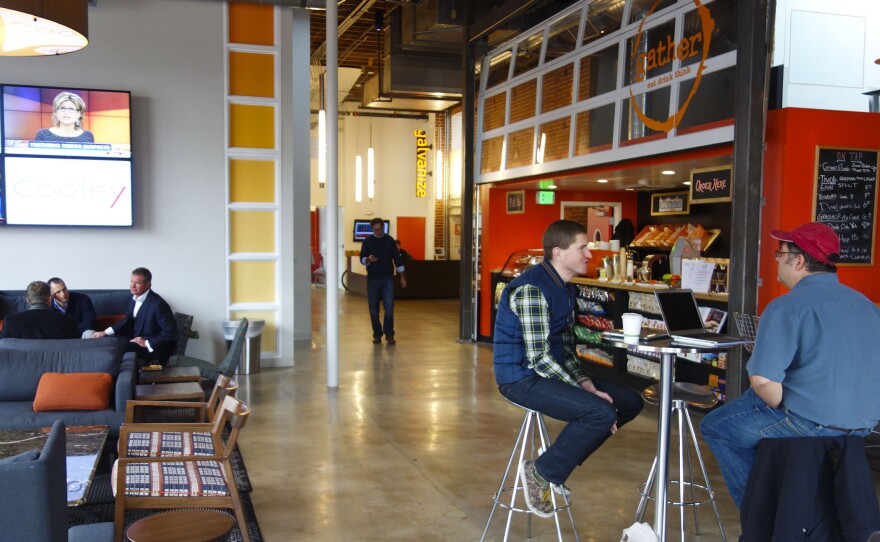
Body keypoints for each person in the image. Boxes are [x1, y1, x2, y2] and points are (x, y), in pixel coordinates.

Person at [700, 222, 880, 508]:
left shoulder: (787, 306)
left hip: (813, 424)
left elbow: (762, 381)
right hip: (864, 425)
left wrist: (781, 408)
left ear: (798, 260)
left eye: (778, 253)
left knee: (718, 427)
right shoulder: (867, 304)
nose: (776, 260)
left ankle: (762, 517)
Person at [493, 219, 644, 517]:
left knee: (629, 402)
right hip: (520, 377)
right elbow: (538, 358)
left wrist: (585, 383)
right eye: (582, 248)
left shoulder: (565, 288)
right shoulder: (532, 290)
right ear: (559, 253)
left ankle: (553, 462)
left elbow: (564, 347)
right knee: (600, 412)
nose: (589, 254)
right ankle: (543, 472)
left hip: (546, 371)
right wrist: (586, 393)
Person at [92, 267, 177, 365]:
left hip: (154, 347)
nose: (132, 286)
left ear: (148, 284)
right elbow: (127, 320)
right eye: (131, 281)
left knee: (122, 348)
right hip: (137, 339)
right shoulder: (133, 298)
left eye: (137, 283)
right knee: (108, 341)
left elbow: (171, 332)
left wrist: (146, 343)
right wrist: (105, 332)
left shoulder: (158, 304)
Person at [359, 217, 407, 345]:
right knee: (374, 309)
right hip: (373, 279)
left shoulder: (389, 240)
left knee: (389, 307)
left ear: (383, 228)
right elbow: (362, 259)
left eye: (380, 229)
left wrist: (402, 276)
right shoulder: (368, 241)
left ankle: (389, 334)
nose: (378, 231)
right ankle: (377, 334)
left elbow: (397, 260)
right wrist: (369, 259)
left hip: (387, 279)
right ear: (372, 229)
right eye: (375, 229)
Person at [0, 281, 79, 340]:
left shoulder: (10, 321)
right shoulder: (68, 320)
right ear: (50, 298)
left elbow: (4, 346)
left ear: (27, 300)